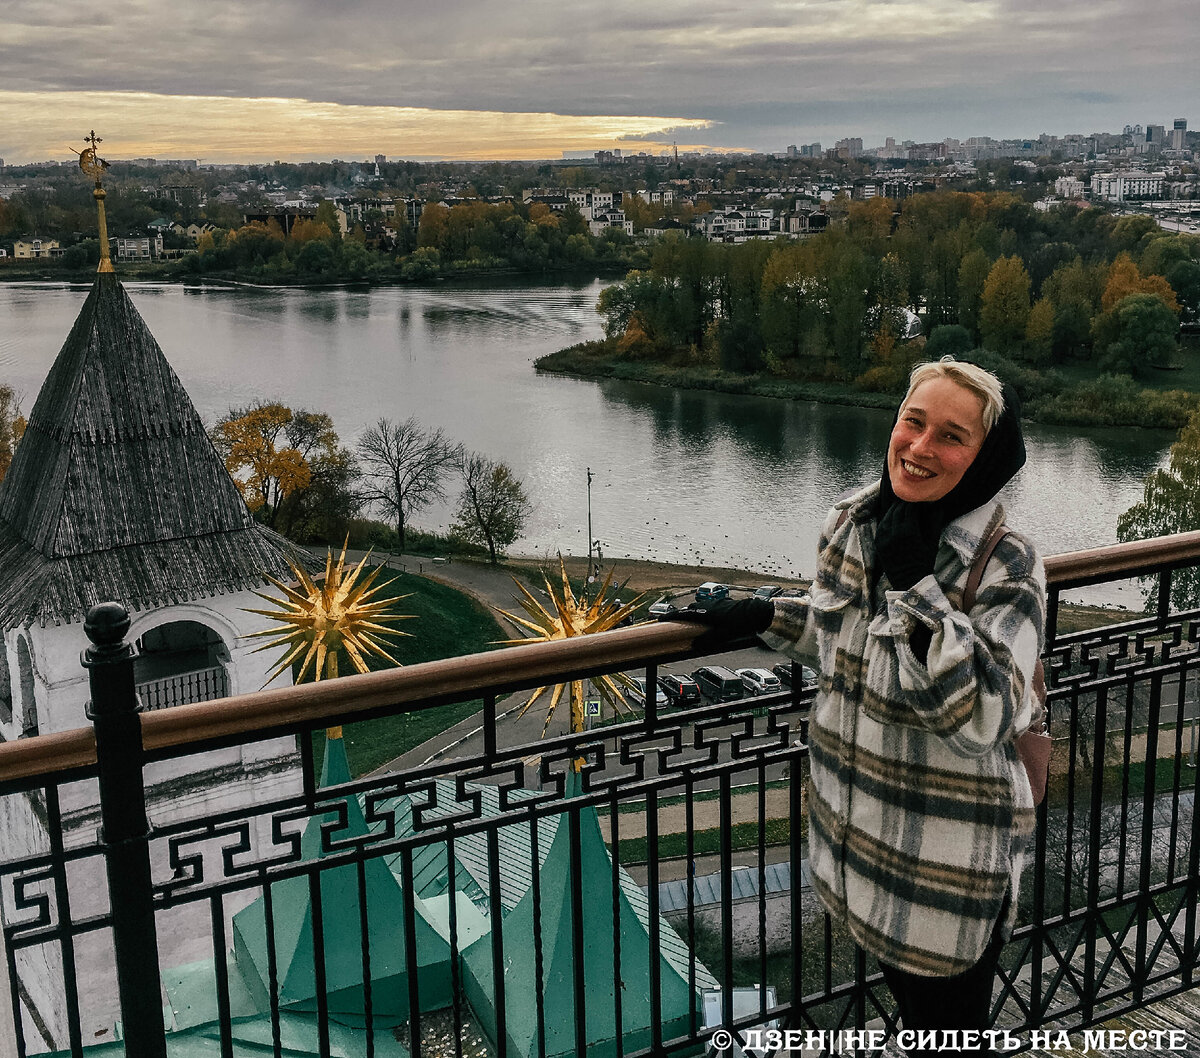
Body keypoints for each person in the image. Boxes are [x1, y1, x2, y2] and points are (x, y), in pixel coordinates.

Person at [673, 357, 1045, 1057]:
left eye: (952, 437)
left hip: (946, 868)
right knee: (917, 1019)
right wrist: (766, 617)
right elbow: (842, 636)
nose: (919, 447)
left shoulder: (1005, 564)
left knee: (949, 1032)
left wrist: (914, 589)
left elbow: (984, 720)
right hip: (861, 845)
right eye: (914, 421)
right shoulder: (857, 521)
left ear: (987, 457)